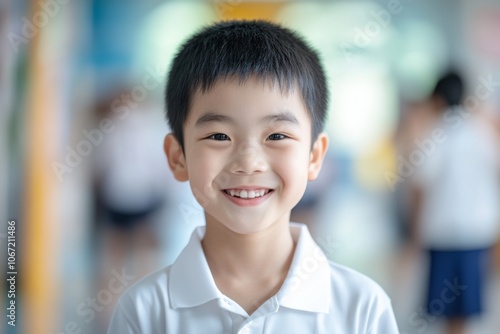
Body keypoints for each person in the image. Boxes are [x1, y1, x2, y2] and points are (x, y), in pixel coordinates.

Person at [107, 20, 399, 334]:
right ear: (178, 157)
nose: (249, 163)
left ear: (314, 157)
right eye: (219, 136)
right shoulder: (143, 312)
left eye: (276, 136)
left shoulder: (362, 308)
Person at [409, 72, 500, 334]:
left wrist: (415, 233)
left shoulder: (435, 132)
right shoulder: (481, 131)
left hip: (443, 232)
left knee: (445, 309)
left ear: (437, 98)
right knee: (466, 308)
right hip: (477, 232)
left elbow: (421, 185)